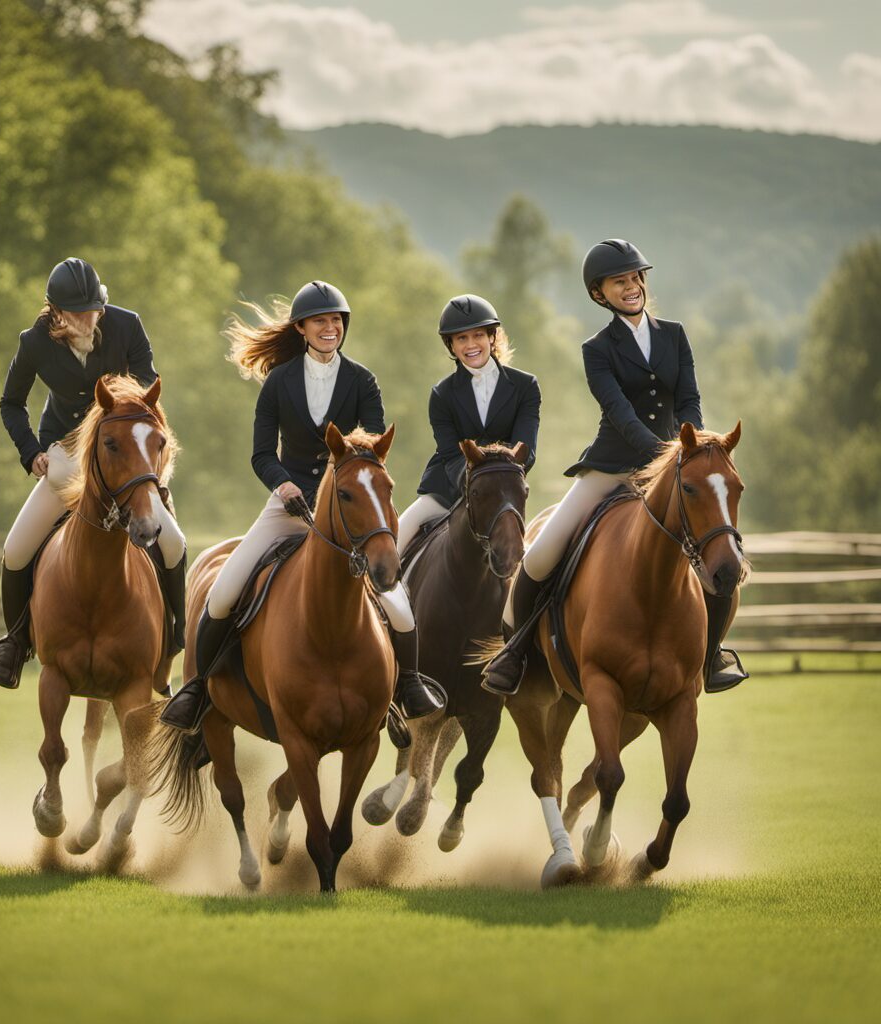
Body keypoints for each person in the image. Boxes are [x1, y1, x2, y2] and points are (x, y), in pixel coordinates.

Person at [160, 280, 445, 734]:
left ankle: (406, 685)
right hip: (286, 505)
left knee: (399, 606)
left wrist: (346, 480)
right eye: (320, 321)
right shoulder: (279, 381)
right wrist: (285, 486)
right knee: (224, 591)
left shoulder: (362, 380)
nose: (330, 327)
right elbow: (261, 455)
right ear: (302, 329)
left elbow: (370, 449)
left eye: (336, 320)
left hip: (347, 510)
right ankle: (195, 690)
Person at [482, 239, 748, 696]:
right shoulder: (597, 348)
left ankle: (712, 655)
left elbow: (689, 399)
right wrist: (666, 455)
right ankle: (515, 652)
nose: (631, 286)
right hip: (611, 466)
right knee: (543, 552)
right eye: (619, 281)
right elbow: (619, 410)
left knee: (723, 556)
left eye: (635, 278)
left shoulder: (675, 334)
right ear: (599, 293)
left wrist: (695, 449)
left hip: (675, 469)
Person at [0, 257, 187, 690]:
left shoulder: (127, 326)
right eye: (78, 313)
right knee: (15, 551)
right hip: (67, 455)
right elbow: (10, 403)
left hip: (123, 456)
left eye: (94, 309)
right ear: (56, 313)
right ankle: (15, 644)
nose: (90, 319)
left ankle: (175, 635)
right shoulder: (34, 342)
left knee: (174, 544)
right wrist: (31, 451)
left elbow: (148, 401)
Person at [397, 294, 540, 553]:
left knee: (531, 560)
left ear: (491, 338)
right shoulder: (441, 394)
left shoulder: (525, 386)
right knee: (397, 541)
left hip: (504, 492)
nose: (471, 344)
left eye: (478, 336)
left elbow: (525, 449)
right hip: (447, 489)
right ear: (451, 345)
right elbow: (451, 455)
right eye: (461, 338)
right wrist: (475, 482)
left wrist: (492, 482)